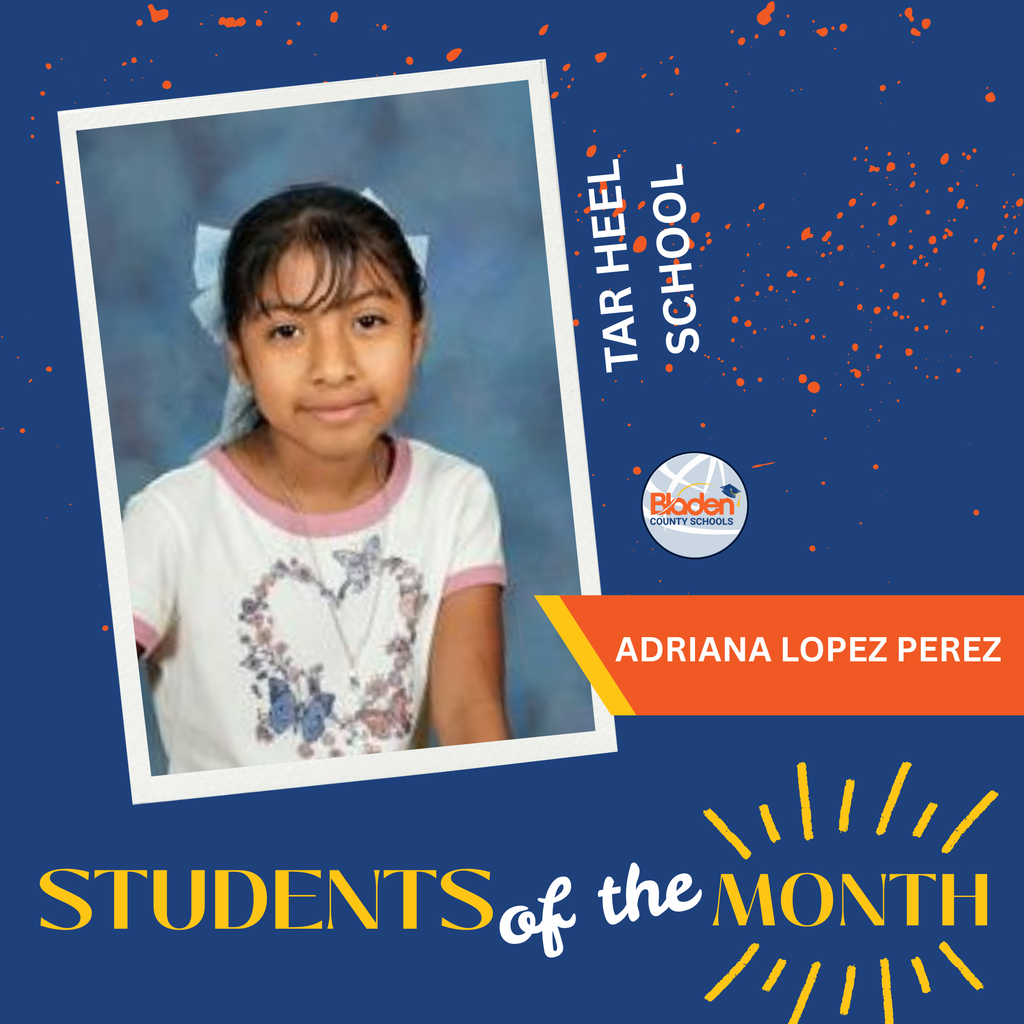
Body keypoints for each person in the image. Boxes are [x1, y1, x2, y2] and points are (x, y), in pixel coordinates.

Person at [123, 184, 509, 773]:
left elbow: (467, 714)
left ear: (417, 333)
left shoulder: (455, 496)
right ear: (239, 357)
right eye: (286, 332)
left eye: (369, 320)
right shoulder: (171, 520)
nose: (333, 367)